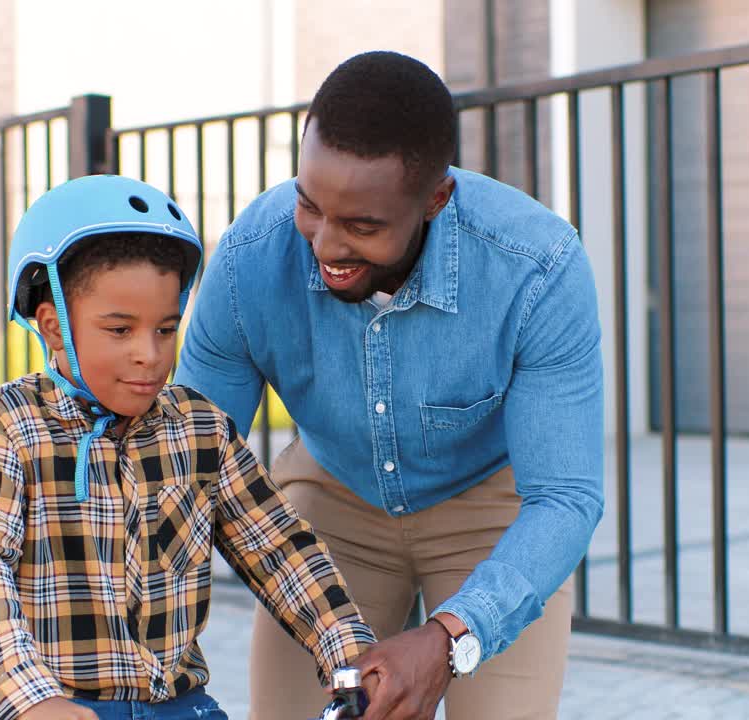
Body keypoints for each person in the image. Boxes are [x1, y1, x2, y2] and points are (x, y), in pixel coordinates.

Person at [175, 50, 604, 720]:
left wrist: (448, 639)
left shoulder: (538, 268)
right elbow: (185, 462)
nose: (324, 245)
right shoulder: (250, 260)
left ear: (436, 200)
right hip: (334, 496)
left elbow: (565, 498)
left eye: (363, 226)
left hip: (489, 511)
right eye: (310, 205)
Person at [0, 175, 376, 720]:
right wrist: (27, 697)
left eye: (166, 329)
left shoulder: (201, 430)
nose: (150, 354)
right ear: (54, 329)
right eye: (120, 331)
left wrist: (348, 649)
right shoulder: (6, 424)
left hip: (177, 704)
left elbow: (278, 548)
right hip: (56, 704)